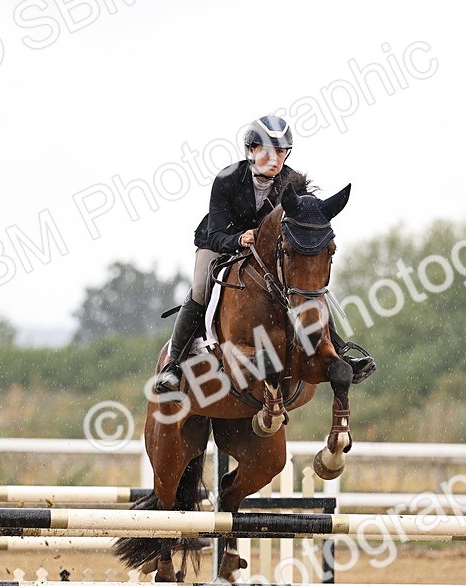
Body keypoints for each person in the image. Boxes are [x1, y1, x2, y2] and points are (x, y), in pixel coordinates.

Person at [153, 114, 376, 394]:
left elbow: (300, 223)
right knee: (200, 288)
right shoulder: (227, 179)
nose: (275, 159)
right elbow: (215, 234)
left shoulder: (291, 182)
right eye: (268, 151)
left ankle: (339, 351)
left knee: (307, 286)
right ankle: (173, 364)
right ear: (252, 150)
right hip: (219, 242)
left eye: (281, 152)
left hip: (267, 253)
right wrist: (238, 239)